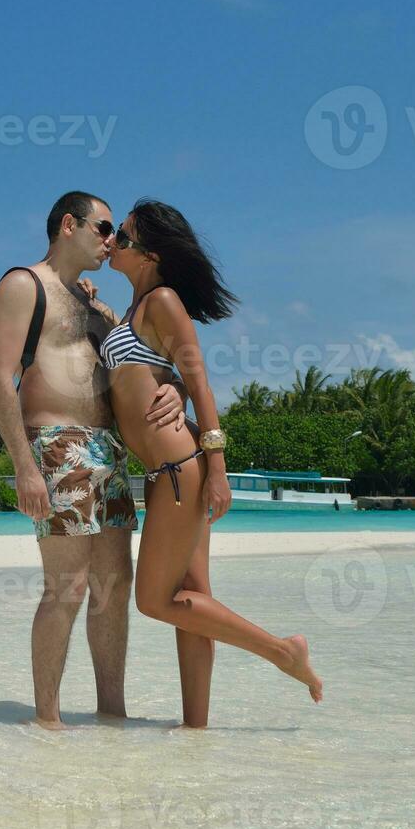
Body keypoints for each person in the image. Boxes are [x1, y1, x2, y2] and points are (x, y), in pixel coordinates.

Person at [83, 199, 323, 727]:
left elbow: (198, 381)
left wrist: (217, 468)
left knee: (154, 600)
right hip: (164, 473)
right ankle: (196, 729)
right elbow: (148, 372)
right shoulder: (135, 309)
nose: (111, 244)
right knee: (193, 601)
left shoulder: (163, 300)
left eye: (120, 236)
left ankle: (283, 652)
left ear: (149, 254)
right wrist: (95, 308)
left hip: (179, 471)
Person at [0, 191, 188, 730]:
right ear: (68, 225)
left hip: (110, 452)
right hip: (56, 446)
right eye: (103, 229)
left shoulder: (100, 309)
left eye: (116, 234)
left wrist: (178, 393)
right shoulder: (23, 285)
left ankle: (111, 714)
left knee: (115, 587)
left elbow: (144, 368)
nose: (112, 241)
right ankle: (47, 720)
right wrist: (24, 468)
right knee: (67, 588)